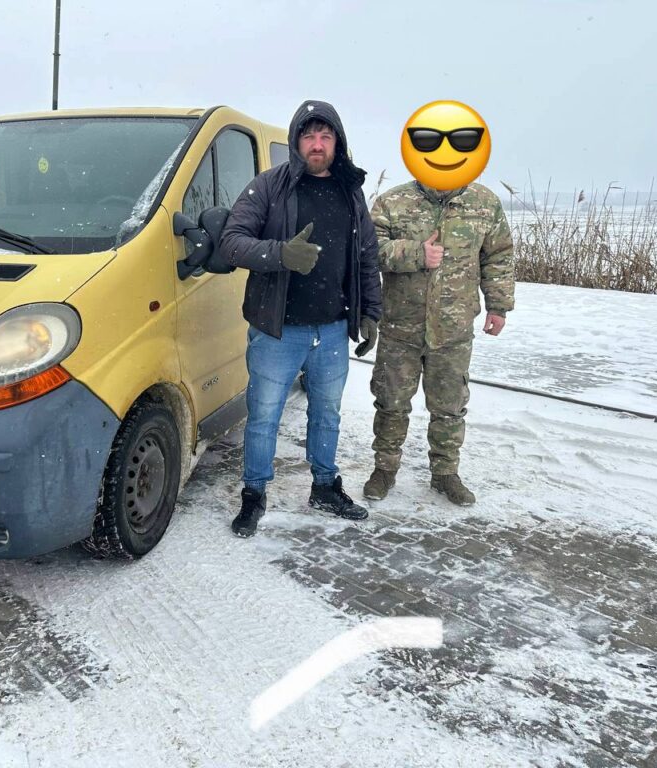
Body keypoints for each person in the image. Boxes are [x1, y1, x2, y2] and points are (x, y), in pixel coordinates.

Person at [219, 100, 382, 538]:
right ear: (296, 141)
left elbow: (366, 254)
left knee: (327, 413)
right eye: (309, 136)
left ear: (337, 142)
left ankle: (325, 486)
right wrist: (280, 254)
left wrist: (370, 313)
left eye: (325, 136)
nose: (317, 144)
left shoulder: (350, 190)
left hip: (332, 329)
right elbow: (231, 242)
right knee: (263, 416)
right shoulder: (269, 185)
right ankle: (254, 494)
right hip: (278, 330)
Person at [363, 181, 514, 505]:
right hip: (400, 327)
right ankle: (384, 469)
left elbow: (498, 255)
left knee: (449, 407)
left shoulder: (484, 203)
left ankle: (445, 473)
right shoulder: (393, 202)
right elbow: (368, 250)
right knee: (391, 402)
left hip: (453, 329)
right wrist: (416, 253)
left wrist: (498, 306)